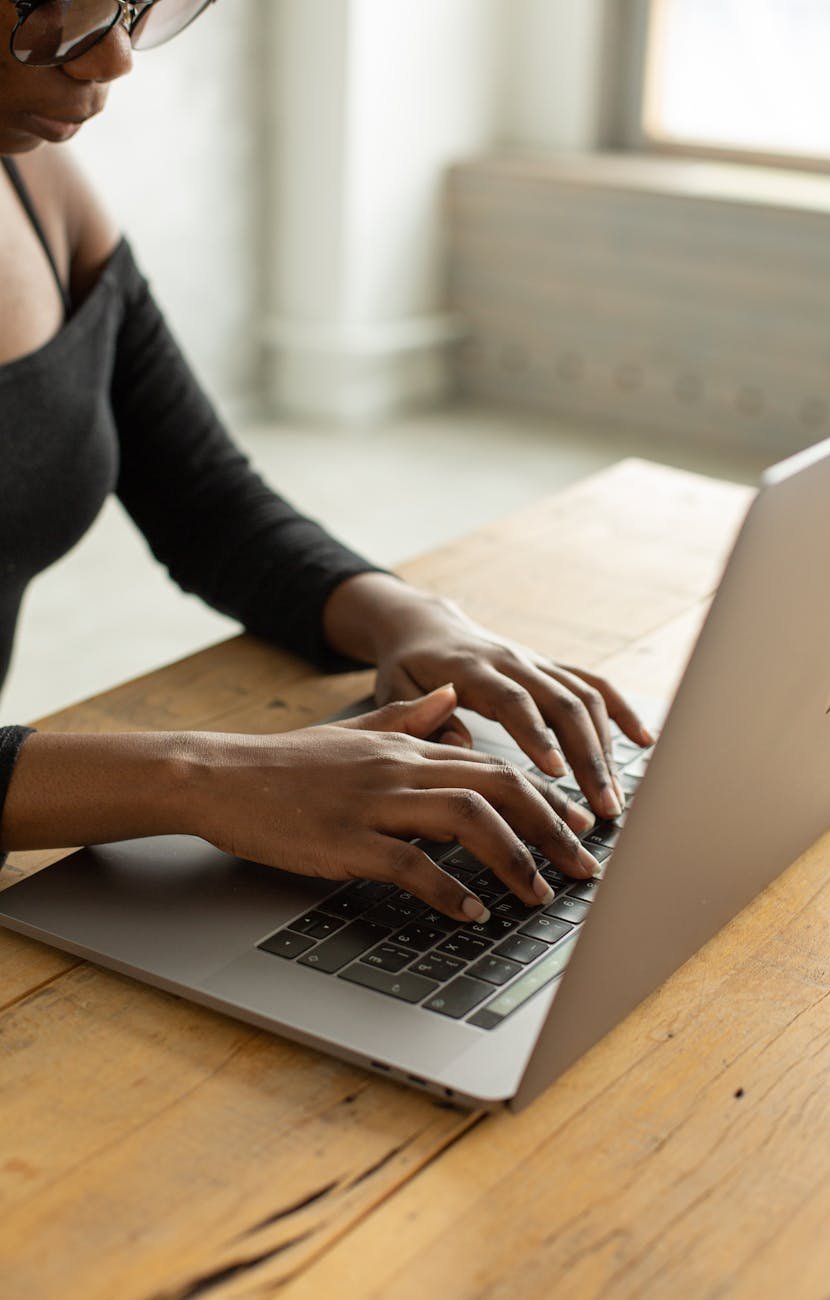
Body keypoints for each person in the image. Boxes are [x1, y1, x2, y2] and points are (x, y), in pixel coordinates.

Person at [0, 0, 652, 925]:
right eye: (56, 14)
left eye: (135, 8)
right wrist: (201, 780)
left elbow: (203, 499)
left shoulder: (40, 190)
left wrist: (414, 619)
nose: (112, 59)